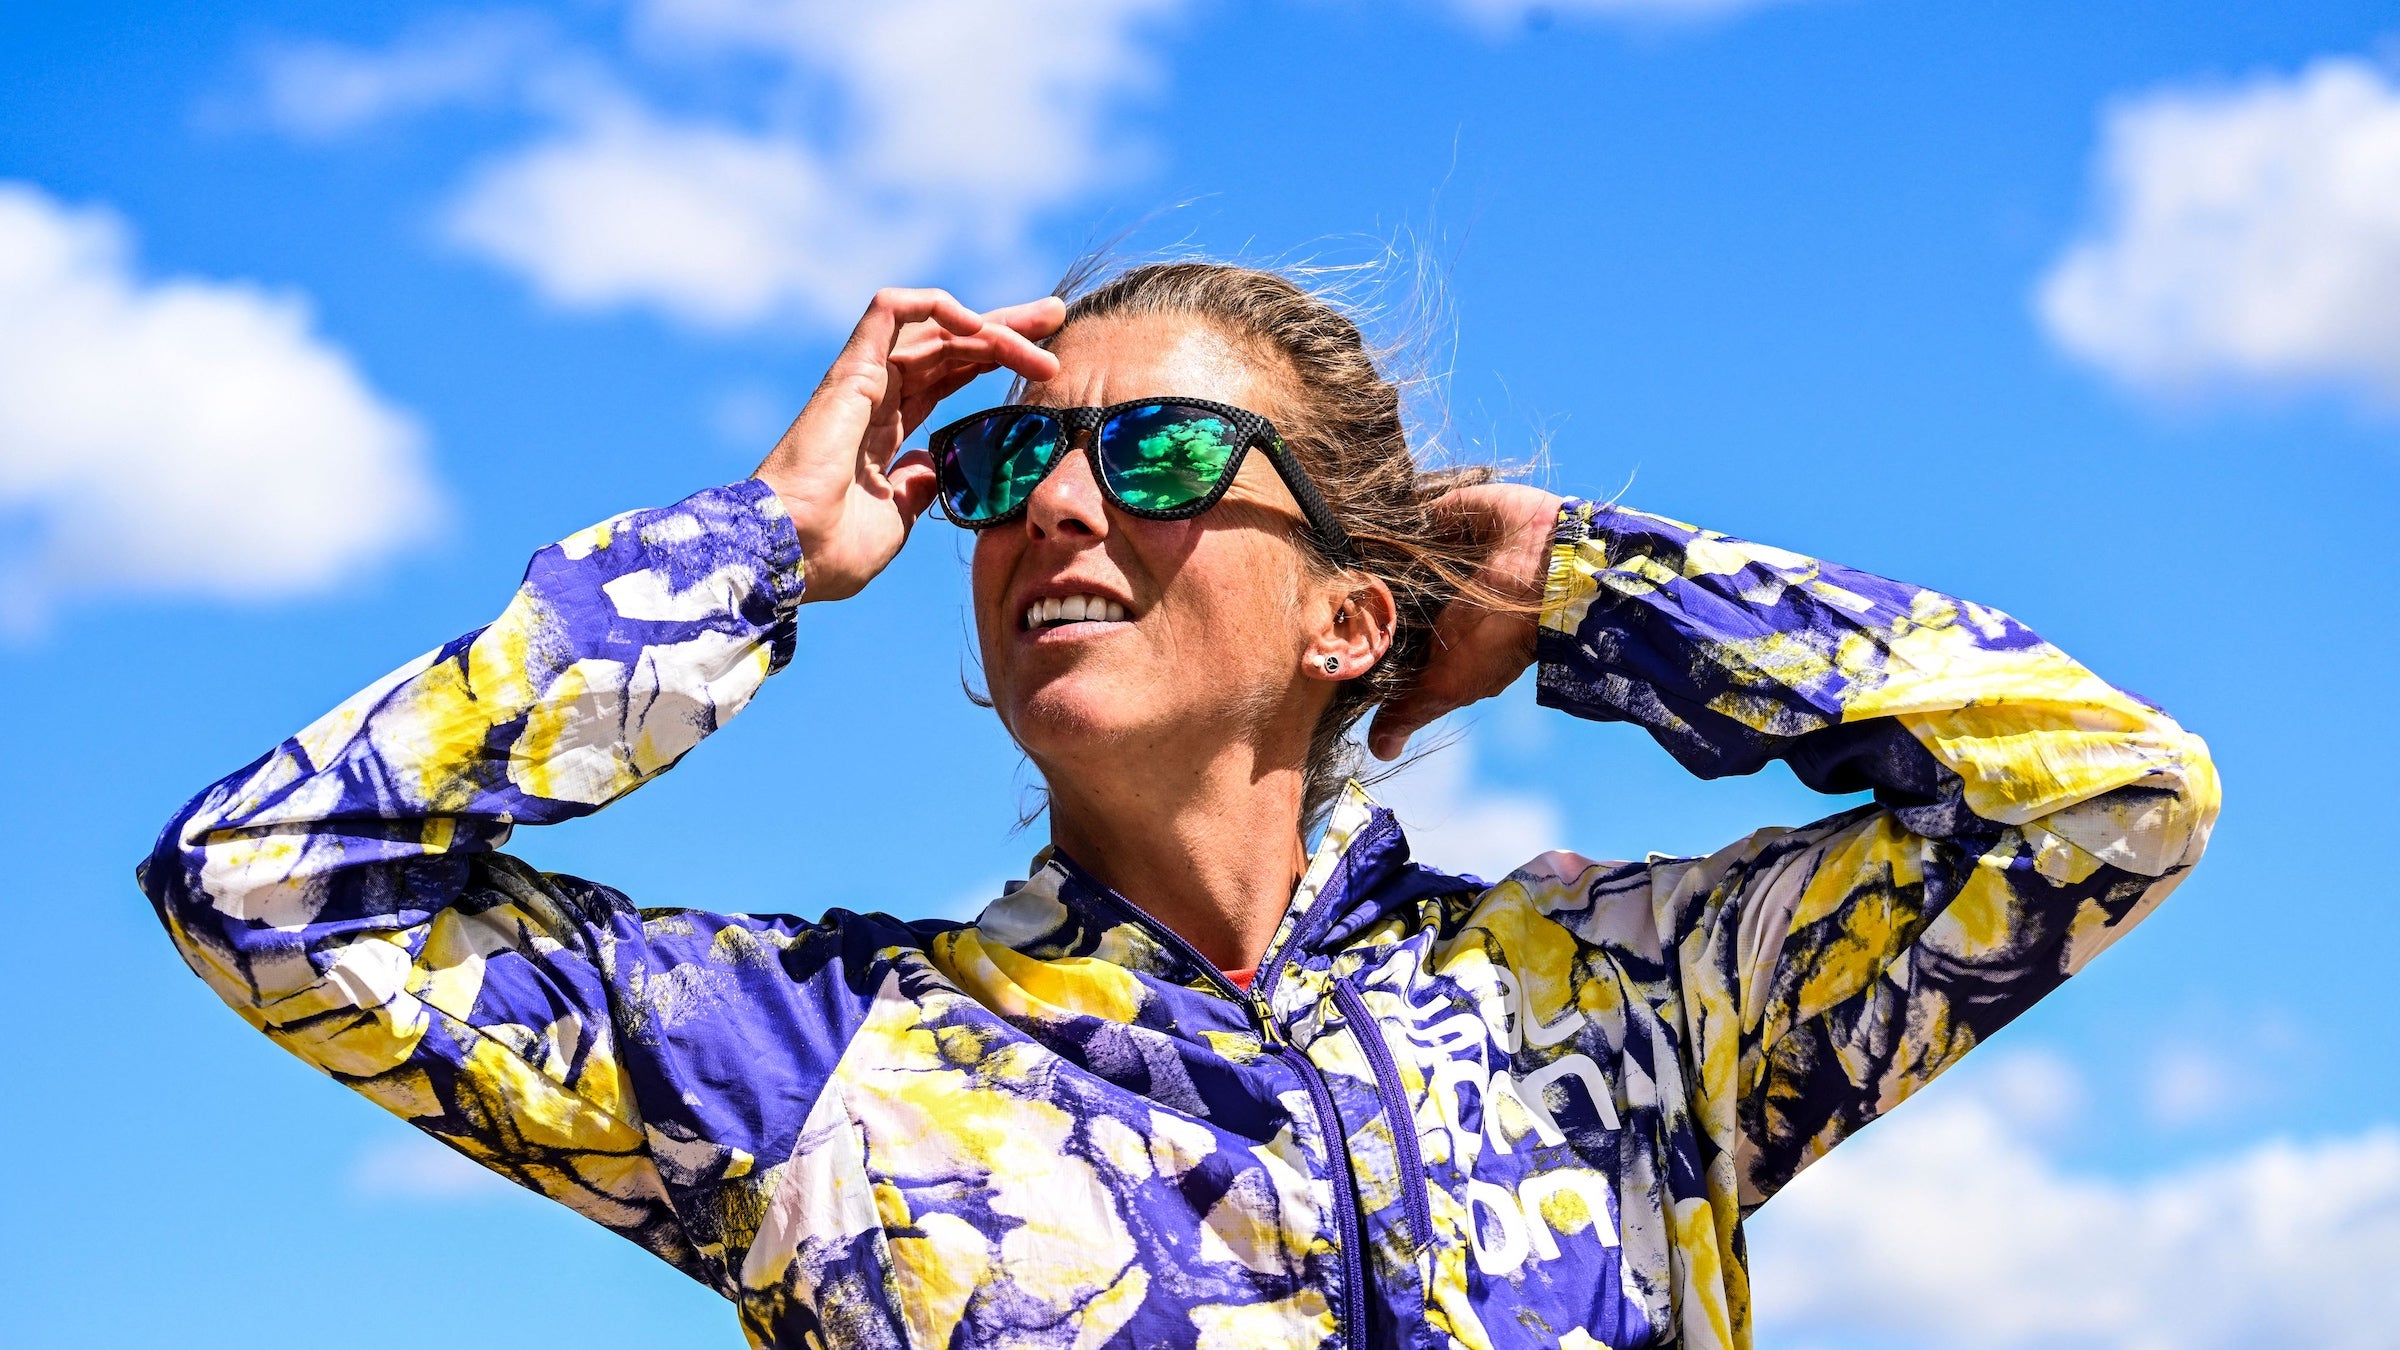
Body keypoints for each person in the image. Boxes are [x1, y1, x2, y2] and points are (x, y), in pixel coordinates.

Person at [139, 263, 2218, 1350]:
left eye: (1152, 459)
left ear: (1349, 616)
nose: (1053, 502)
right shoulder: (817, 1068)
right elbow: (266, 881)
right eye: (1001, 468)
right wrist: (751, 548)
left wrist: (1596, 589)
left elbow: (2109, 794)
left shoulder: (1632, 1005)